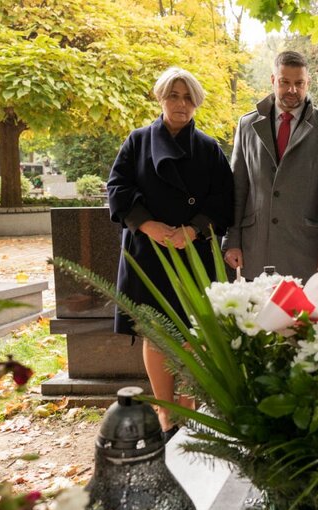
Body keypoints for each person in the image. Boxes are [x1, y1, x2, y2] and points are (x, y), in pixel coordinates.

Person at [107, 67, 234, 438]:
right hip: (150, 253)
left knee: (193, 334)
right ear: (161, 98)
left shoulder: (210, 149)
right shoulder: (137, 140)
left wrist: (192, 229)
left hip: (195, 252)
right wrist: (148, 225)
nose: (181, 104)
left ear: (196, 104)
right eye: (174, 96)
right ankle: (166, 417)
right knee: (157, 333)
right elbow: (117, 187)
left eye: (188, 98)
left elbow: (224, 199)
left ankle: (189, 407)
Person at [222, 51, 318, 282]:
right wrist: (233, 240)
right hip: (256, 250)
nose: (292, 90)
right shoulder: (247, 125)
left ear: (308, 82)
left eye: (299, 83)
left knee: (305, 318)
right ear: (272, 80)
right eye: (284, 82)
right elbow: (238, 189)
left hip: (307, 252)